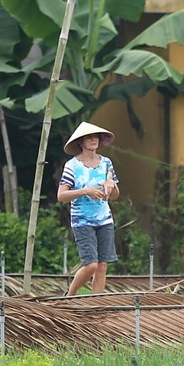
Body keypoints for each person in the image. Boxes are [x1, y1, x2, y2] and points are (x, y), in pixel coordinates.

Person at [58, 121, 118, 295]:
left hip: (105, 219)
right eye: (89, 137)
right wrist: (85, 191)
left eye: (96, 137)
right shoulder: (72, 166)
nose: (93, 140)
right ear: (81, 142)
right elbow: (61, 195)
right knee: (90, 265)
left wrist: (111, 184)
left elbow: (115, 195)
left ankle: (95, 303)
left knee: (102, 265)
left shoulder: (106, 163)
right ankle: (70, 296)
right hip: (82, 220)